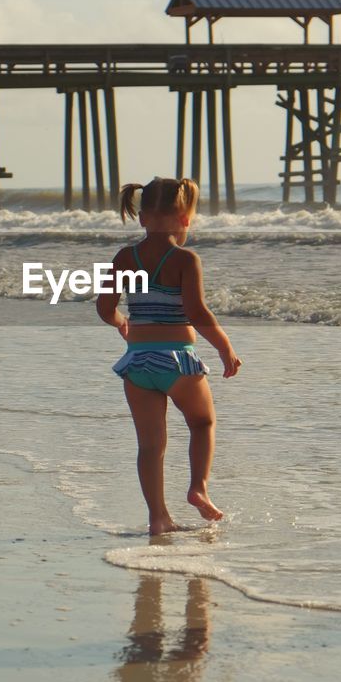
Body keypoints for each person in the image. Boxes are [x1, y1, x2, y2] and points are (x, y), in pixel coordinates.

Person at [96, 177, 241, 535]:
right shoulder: (185, 259)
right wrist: (225, 347)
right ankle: (197, 488)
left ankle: (158, 517)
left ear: (142, 217)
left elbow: (104, 307)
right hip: (177, 360)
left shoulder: (123, 257)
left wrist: (120, 322)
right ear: (186, 219)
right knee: (202, 423)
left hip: (137, 364)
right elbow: (198, 312)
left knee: (150, 446)